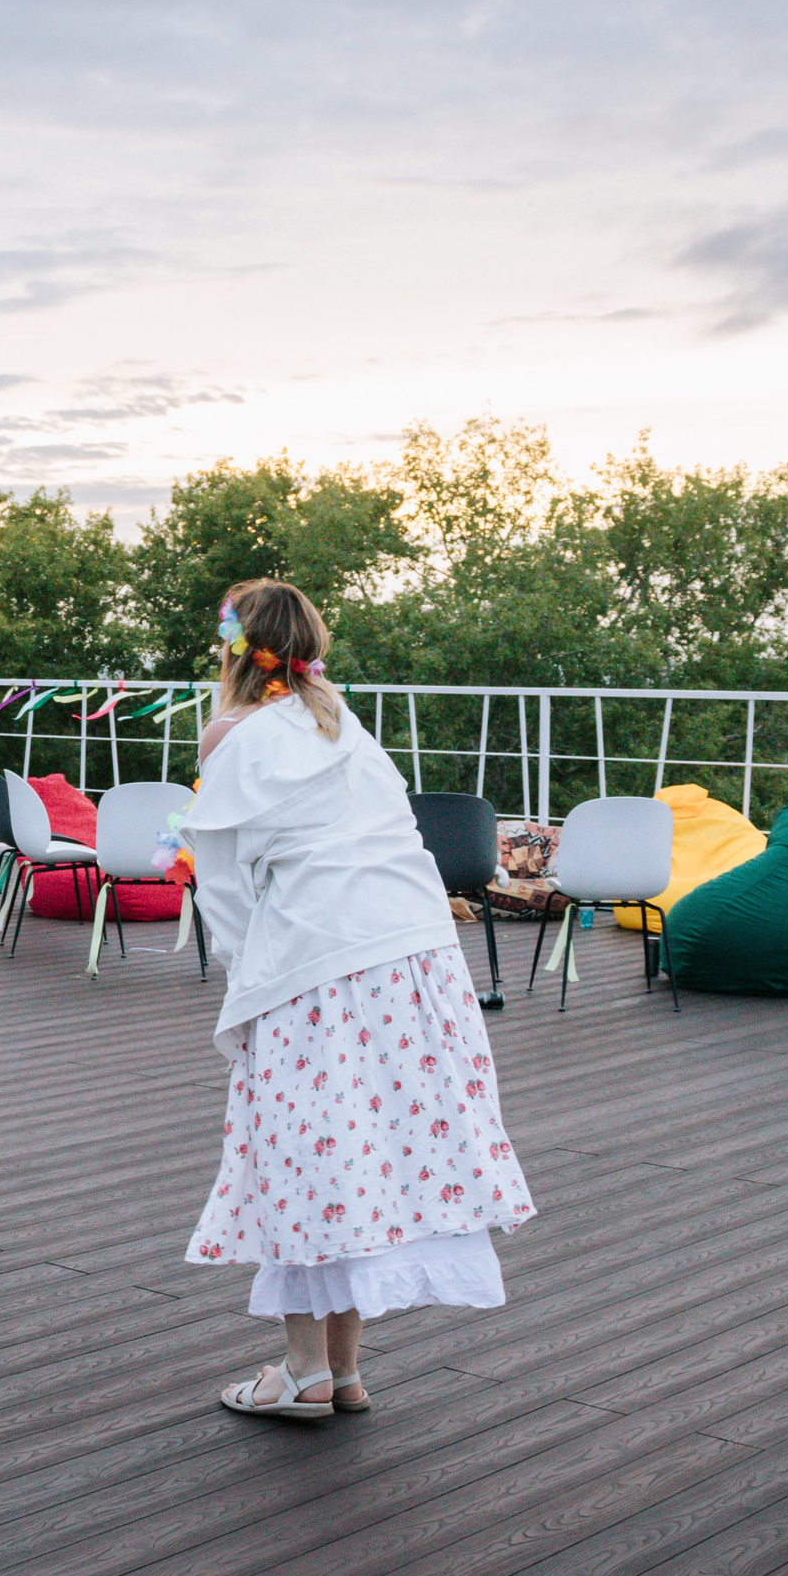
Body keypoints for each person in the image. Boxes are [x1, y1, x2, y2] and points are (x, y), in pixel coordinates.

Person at [183, 580, 535, 1418]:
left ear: (237, 649)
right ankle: (342, 1371)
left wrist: (246, 978)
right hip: (416, 960)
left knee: (304, 1153)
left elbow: (225, 888)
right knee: (357, 1151)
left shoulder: (230, 735)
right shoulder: (345, 723)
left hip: (319, 963)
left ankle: (302, 1373)